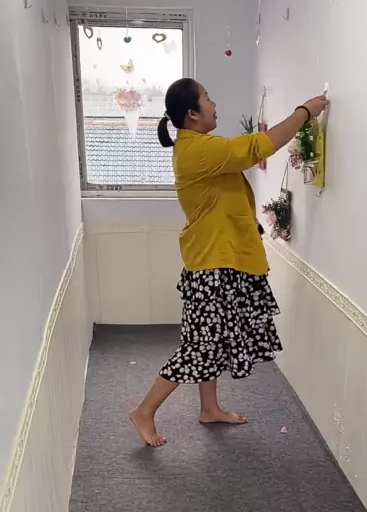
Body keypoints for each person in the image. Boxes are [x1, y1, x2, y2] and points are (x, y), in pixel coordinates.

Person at [130, 79, 329, 446]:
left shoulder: (198, 146)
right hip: (211, 263)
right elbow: (256, 147)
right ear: (192, 114)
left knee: (213, 339)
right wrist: (304, 113)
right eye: (207, 98)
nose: (214, 103)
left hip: (216, 259)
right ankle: (144, 411)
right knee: (201, 346)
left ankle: (209, 408)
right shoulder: (198, 150)